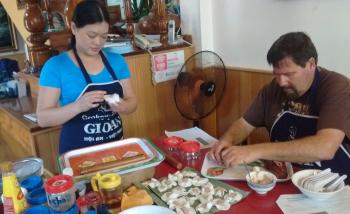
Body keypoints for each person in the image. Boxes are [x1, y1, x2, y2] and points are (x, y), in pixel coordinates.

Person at [209, 32, 350, 183]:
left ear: (311, 64)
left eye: (289, 74)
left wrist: (254, 151)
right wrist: (227, 141)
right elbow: (244, 124)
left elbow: (325, 148)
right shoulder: (273, 89)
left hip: (335, 186)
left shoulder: (337, 88)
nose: (281, 82)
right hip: (285, 180)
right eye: (277, 74)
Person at [36, 0, 137, 154]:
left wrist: (123, 106)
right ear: (74, 28)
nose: (98, 42)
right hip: (78, 155)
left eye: (104, 36)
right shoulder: (56, 66)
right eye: (91, 35)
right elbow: (43, 118)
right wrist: (78, 106)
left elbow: (132, 101)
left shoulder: (117, 61)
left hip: (115, 149)